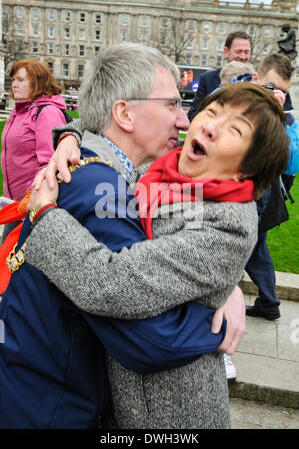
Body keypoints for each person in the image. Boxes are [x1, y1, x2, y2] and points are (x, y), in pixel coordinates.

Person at [0, 43, 245, 429]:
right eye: (171, 104)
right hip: (49, 407)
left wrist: (224, 285)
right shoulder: (103, 189)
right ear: (125, 114)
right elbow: (145, 338)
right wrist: (218, 324)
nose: (184, 121)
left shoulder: (89, 167)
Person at [25, 81, 289, 428]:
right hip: (120, 392)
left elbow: (114, 285)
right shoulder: (164, 170)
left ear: (246, 169)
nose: (210, 126)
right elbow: (114, 136)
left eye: (234, 130)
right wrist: (70, 138)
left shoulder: (227, 223)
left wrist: (45, 217)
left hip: (170, 411)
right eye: (211, 112)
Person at [244, 53, 299, 320]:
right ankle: (269, 302)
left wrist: (278, 119)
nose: (278, 95)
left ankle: (267, 302)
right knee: (255, 247)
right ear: (256, 80)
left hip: (259, 195)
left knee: (246, 246)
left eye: (284, 92)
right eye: (272, 87)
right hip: (233, 190)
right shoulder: (237, 102)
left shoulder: (286, 119)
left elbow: (291, 164)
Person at [0, 60, 68, 242]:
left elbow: (51, 162)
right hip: (15, 205)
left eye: (21, 80)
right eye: (14, 79)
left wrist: (32, 194)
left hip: (34, 204)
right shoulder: (18, 111)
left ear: (37, 82)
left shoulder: (47, 113)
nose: (14, 84)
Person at [187, 31, 251, 122]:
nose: (243, 56)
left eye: (246, 52)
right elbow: (192, 116)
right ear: (226, 52)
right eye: (238, 51)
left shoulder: (256, 81)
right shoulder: (207, 79)